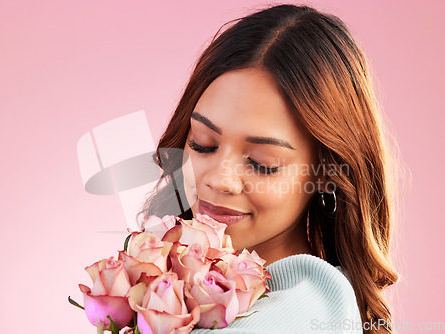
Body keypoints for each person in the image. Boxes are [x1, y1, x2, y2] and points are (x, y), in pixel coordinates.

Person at [139, 4, 399, 333]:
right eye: (203, 144)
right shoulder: (178, 279)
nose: (220, 180)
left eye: (262, 164)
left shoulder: (308, 310)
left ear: (326, 173)